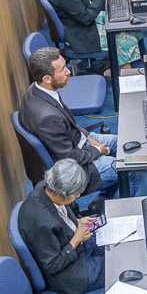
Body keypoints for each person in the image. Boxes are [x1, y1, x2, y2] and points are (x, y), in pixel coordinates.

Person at [18, 47, 119, 190]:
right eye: (62, 69)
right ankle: (105, 202)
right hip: (70, 168)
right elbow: (68, 157)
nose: (68, 72)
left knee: (123, 144)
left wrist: (89, 137)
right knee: (130, 170)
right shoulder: (48, 118)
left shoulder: (38, 89)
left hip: (74, 142)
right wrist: (97, 150)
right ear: (47, 78)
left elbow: (69, 124)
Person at [17, 159, 105, 294]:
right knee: (117, 264)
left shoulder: (44, 187)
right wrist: (76, 240)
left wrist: (77, 222)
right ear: (63, 193)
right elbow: (52, 266)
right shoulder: (42, 223)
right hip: (71, 273)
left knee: (113, 247)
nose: (78, 196)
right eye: (75, 193)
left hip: (77, 250)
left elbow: (59, 218)